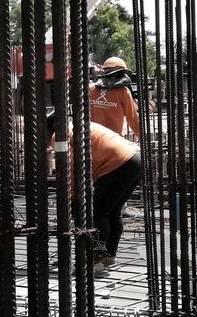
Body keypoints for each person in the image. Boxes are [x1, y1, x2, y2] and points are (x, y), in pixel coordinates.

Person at [49, 113, 142, 276]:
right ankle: (107, 256)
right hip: (136, 158)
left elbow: (71, 166)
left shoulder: (59, 136)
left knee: (98, 212)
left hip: (118, 163)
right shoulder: (78, 126)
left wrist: (72, 197)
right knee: (112, 211)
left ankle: (95, 261)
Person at [89, 56, 141, 139]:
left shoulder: (91, 89)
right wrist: (141, 137)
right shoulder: (123, 92)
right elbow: (132, 118)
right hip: (113, 139)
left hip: (94, 138)